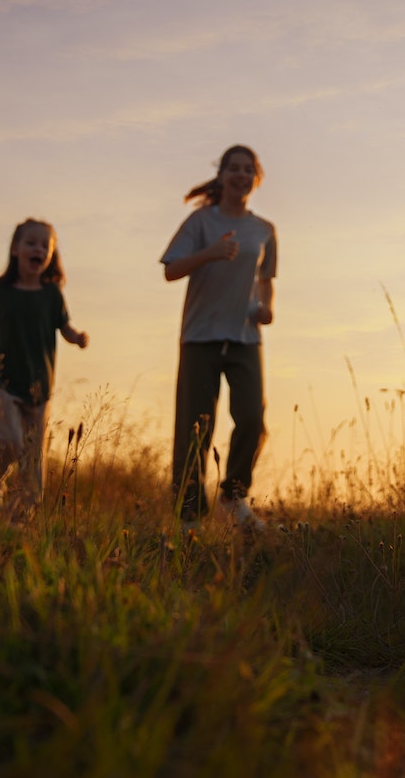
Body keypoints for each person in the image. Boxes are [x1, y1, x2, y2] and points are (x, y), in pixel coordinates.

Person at [160, 145, 276, 530]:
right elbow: (171, 270)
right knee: (195, 427)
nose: (241, 175)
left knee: (252, 420)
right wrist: (209, 253)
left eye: (248, 170)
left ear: (255, 178)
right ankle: (189, 516)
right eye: (234, 169)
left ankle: (233, 495)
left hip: (245, 337)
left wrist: (265, 308)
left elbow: (265, 281)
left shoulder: (264, 231)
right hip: (200, 336)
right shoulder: (200, 222)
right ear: (222, 176)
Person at [0, 219, 89, 515]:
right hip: (3, 380)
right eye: (31, 243)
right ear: (15, 249)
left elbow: (63, 326)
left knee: (34, 456)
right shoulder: (1, 289)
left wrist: (76, 338)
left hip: (40, 386)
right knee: (10, 441)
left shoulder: (51, 293)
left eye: (45, 245)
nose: (37, 248)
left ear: (51, 255)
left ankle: (24, 512)